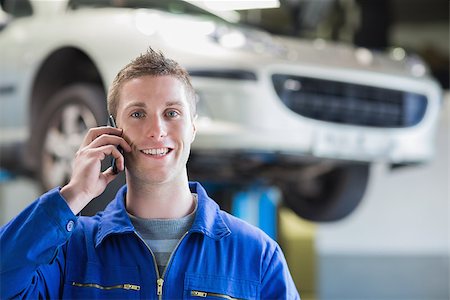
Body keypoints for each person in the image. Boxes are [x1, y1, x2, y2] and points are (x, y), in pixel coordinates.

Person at [0, 48, 300, 299]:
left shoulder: (256, 256)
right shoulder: (72, 249)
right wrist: (72, 195)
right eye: (137, 114)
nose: (156, 130)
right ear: (112, 129)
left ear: (192, 127)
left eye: (172, 113)